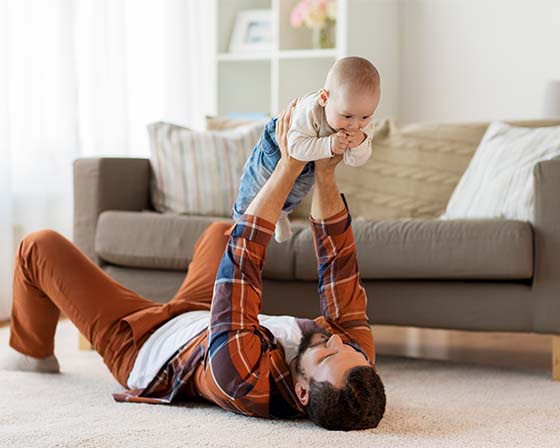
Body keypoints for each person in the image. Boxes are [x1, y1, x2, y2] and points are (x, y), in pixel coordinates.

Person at [2, 99, 386, 431]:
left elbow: (244, 259)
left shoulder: (244, 379)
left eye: (327, 354)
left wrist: (288, 165)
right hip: (204, 319)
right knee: (220, 230)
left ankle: (31, 354)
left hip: (145, 346)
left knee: (38, 246)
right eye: (347, 348)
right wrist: (324, 168)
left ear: (302, 393)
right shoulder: (352, 356)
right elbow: (339, 264)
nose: (334, 339)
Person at [233, 56, 381, 243]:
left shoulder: (362, 121)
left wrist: (360, 144)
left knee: (296, 192)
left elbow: (355, 160)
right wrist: (329, 145)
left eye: (365, 117)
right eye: (347, 116)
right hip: (280, 146)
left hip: (314, 154)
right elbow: (294, 149)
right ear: (325, 98)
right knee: (257, 188)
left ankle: (281, 216)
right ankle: (240, 221)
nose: (355, 125)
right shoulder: (309, 111)